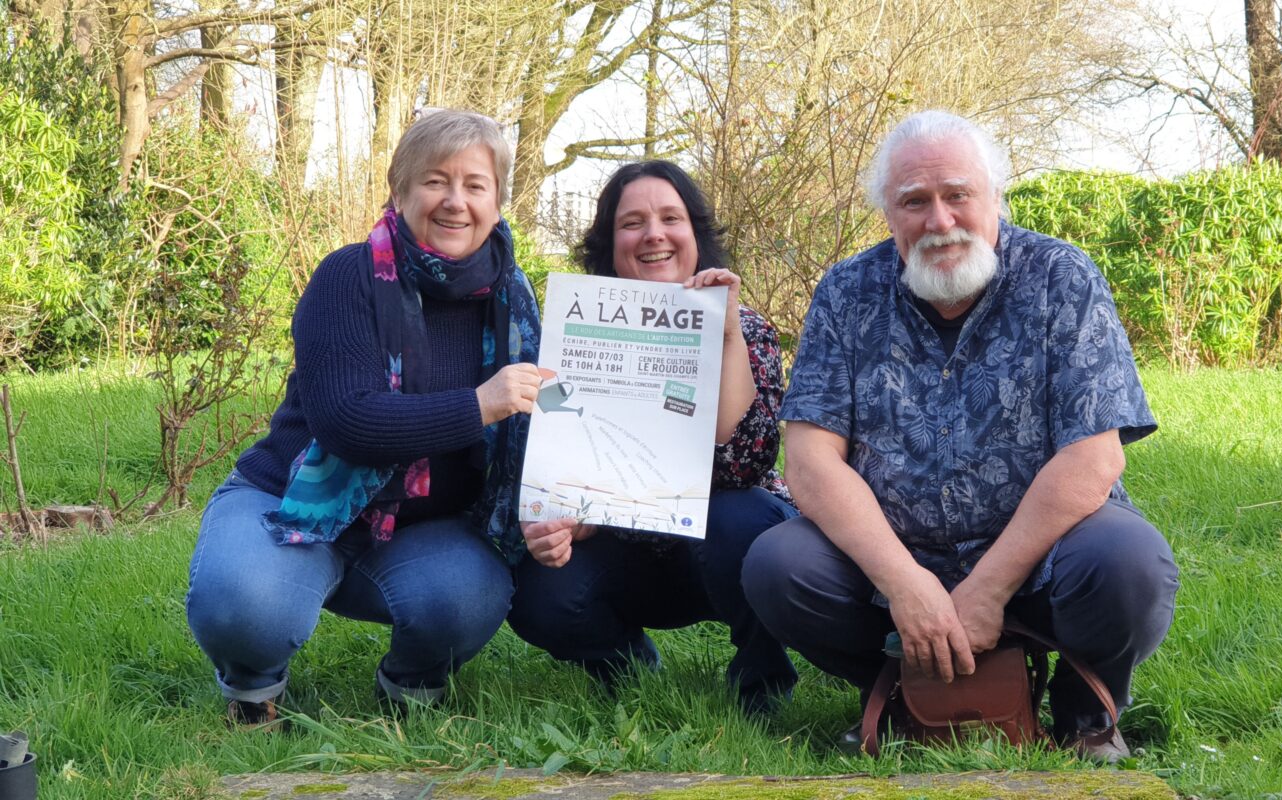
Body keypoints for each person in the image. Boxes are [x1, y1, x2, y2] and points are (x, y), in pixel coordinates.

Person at [741, 110, 1179, 761]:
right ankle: (904, 691)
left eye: (957, 195)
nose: (939, 221)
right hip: (893, 556)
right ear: (888, 214)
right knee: (778, 566)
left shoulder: (1063, 277)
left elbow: (1093, 457)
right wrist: (904, 584)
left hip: (1045, 556)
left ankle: (1087, 712)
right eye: (914, 201)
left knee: (1129, 564)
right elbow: (810, 462)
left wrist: (990, 588)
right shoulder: (845, 293)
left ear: (995, 196)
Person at [185, 109, 543, 727]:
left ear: (497, 201)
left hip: (420, 529)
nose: (455, 201)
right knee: (245, 603)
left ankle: (409, 690)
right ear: (400, 191)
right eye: (435, 181)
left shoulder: (517, 300)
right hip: (291, 502)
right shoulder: (348, 275)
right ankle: (253, 687)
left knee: (471, 592)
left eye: (475, 185)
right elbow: (348, 420)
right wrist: (480, 403)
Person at [509, 160, 799, 715]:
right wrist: (568, 519)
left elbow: (745, 463)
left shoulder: (747, 327)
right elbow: (563, 457)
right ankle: (628, 668)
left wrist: (726, 338)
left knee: (743, 519)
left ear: (695, 233)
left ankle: (762, 683)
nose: (653, 235)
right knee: (538, 587)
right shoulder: (569, 336)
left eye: (671, 218)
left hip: (725, 544)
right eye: (632, 222)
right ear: (609, 242)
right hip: (628, 552)